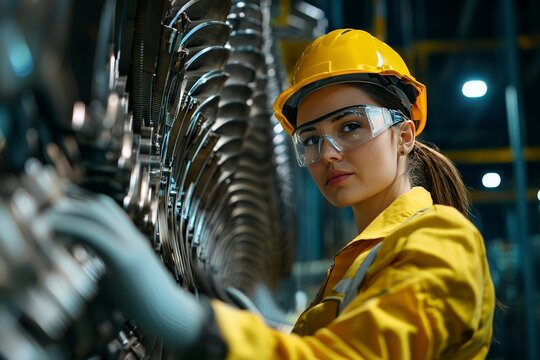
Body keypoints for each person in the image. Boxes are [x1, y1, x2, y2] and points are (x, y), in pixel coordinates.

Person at [48, 29, 495, 359]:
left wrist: (193, 324)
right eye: (311, 139)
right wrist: (272, 332)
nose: (328, 154)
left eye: (351, 126)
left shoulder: (441, 241)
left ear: (404, 135)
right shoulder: (358, 262)